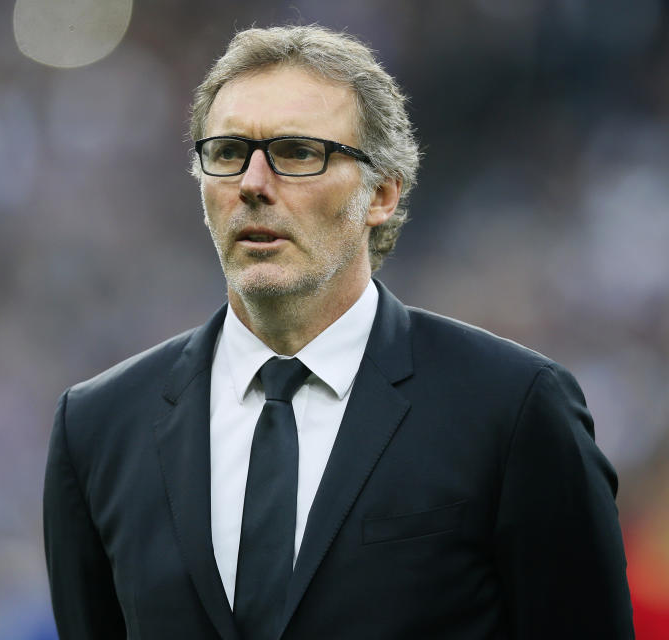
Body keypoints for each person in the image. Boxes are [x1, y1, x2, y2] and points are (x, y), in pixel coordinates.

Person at [43, 25, 634, 640]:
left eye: (298, 152)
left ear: (380, 194)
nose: (251, 183)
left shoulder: (511, 408)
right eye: (226, 153)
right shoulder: (97, 427)